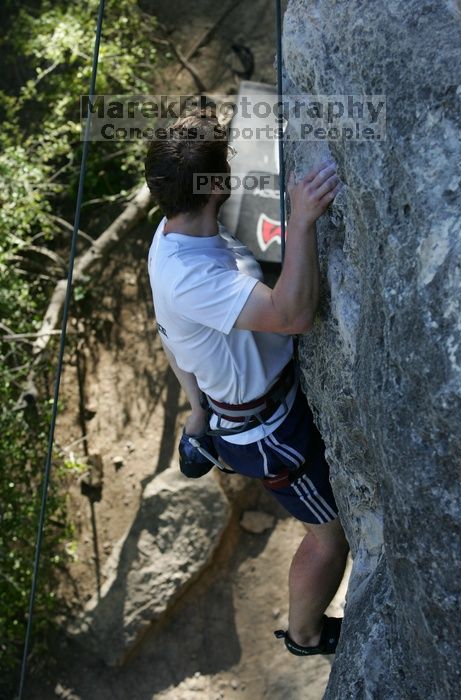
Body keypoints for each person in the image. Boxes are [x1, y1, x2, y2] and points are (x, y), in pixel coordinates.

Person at [144, 112, 350, 656]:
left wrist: (195, 411)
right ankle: (305, 635)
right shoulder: (193, 277)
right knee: (331, 538)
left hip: (242, 408)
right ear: (215, 185)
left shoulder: (170, 236)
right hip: (269, 431)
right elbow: (293, 314)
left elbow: (172, 338)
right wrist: (302, 220)